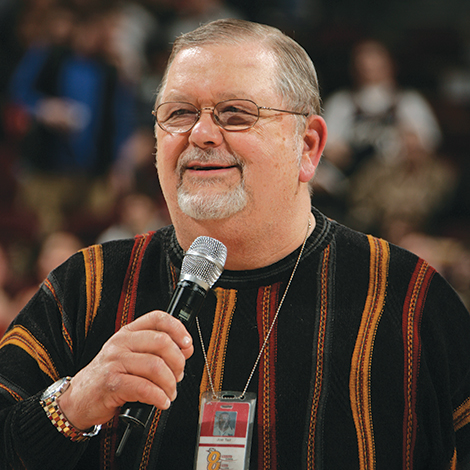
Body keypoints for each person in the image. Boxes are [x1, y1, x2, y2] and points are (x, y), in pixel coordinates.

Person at [0, 19, 469, 470]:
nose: (201, 134)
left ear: (307, 146)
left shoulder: (411, 300)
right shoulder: (86, 286)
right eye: (179, 113)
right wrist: (72, 406)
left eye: (236, 114)